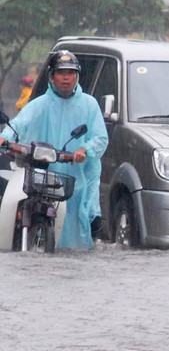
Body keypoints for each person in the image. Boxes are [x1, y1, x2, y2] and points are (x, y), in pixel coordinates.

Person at [0, 50, 108, 249]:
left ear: (77, 76)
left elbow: (100, 138)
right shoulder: (40, 104)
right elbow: (19, 124)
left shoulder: (90, 105)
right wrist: (4, 137)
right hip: (43, 173)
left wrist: (85, 150)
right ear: (52, 76)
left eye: (71, 73)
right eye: (61, 73)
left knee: (77, 234)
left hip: (78, 176)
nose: (66, 78)